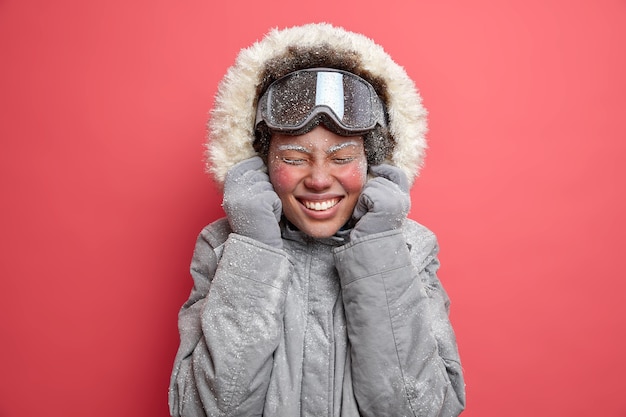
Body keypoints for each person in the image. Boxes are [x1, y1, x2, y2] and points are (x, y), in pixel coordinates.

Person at [169, 23, 465, 417]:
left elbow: (424, 411)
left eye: (342, 158)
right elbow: (201, 411)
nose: (320, 179)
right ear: (262, 164)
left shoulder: (410, 248)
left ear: (372, 165)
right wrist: (253, 247)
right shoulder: (224, 245)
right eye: (294, 159)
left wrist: (379, 252)